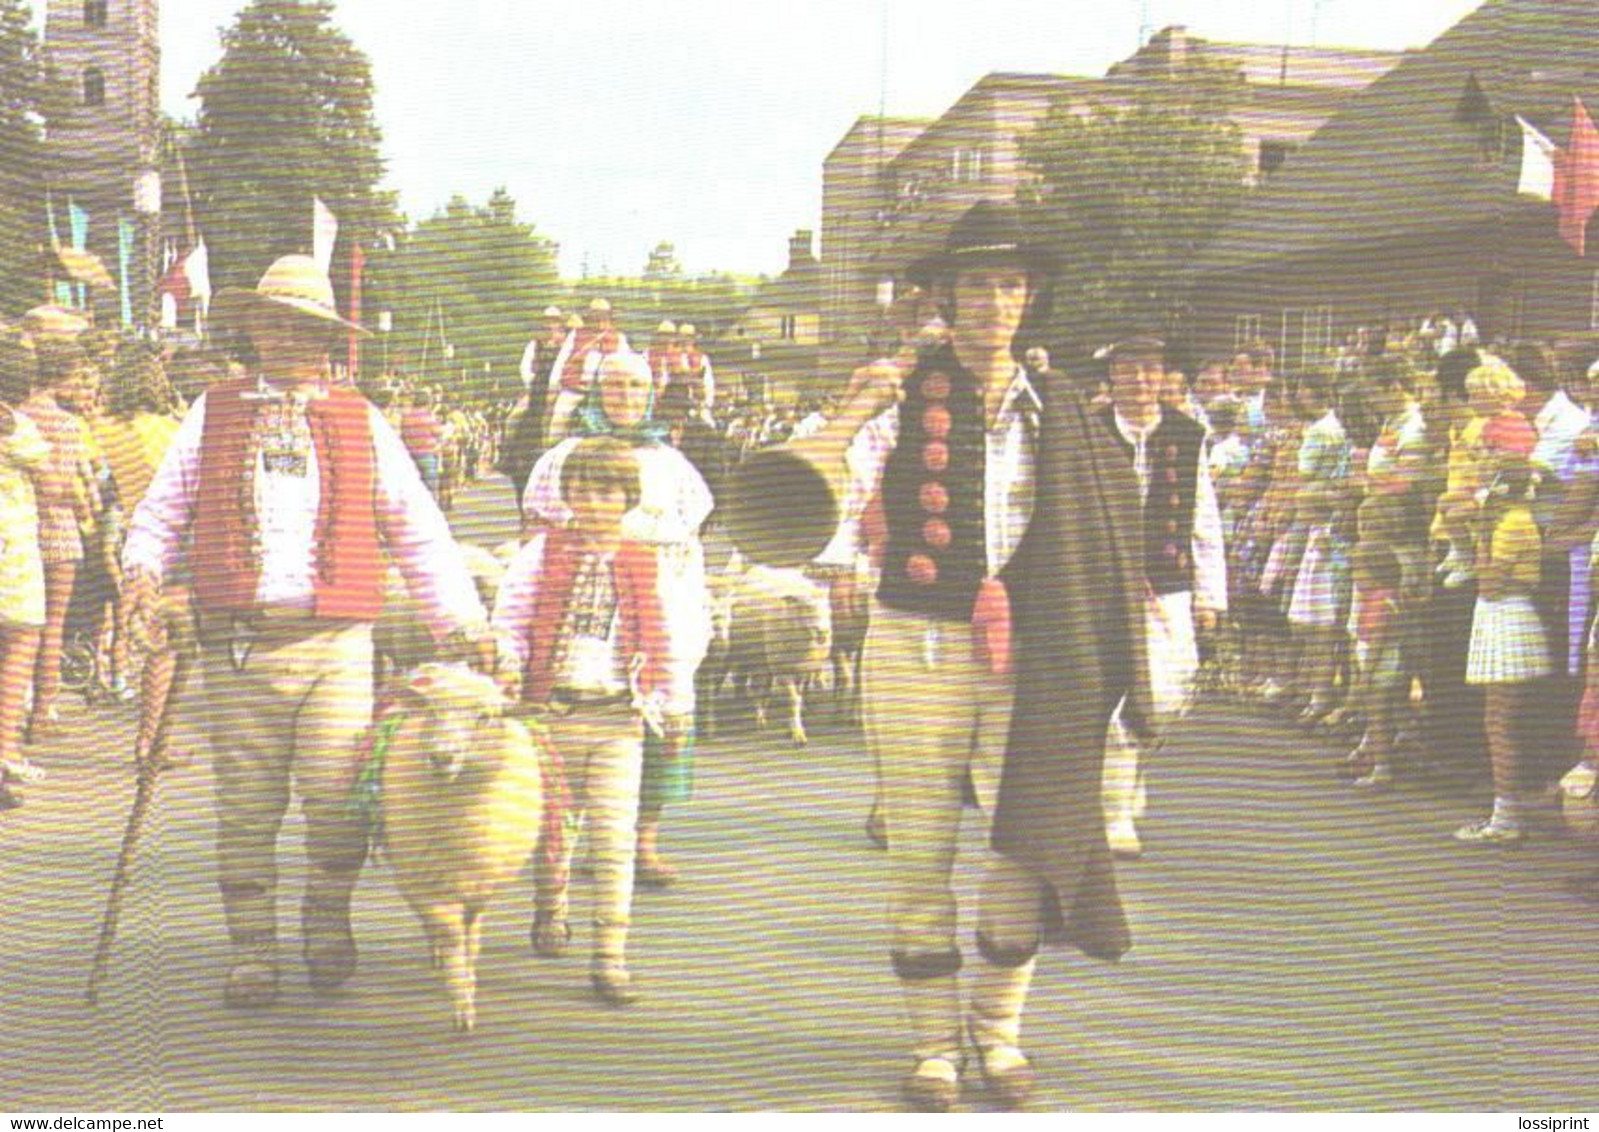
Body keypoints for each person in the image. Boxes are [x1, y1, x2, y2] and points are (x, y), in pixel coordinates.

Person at [811, 201, 1149, 1110]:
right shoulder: (895, 396)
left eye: (1010, 284)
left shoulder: (1065, 405)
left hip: (1030, 654)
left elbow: (1106, 532)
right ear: (943, 297)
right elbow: (808, 489)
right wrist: (852, 407)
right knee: (920, 847)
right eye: (975, 283)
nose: (995, 301)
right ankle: (933, 1046)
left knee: (1023, 845)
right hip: (917, 641)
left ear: (1029, 297)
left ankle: (998, 1034)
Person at [123, 254, 493, 1009]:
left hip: (336, 647)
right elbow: (161, 510)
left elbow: (416, 529)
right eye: (273, 322)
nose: (287, 338)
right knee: (246, 803)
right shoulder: (212, 411)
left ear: (328, 338)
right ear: (251, 327)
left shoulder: (363, 421)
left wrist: (461, 622)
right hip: (238, 645)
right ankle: (253, 950)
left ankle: (326, 925)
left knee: (335, 799)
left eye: (305, 327)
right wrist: (141, 572)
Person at [493, 435, 677, 1005]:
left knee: (615, 835)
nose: (593, 502)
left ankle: (610, 953)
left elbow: (670, 634)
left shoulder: (648, 562)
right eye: (581, 490)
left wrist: (669, 699)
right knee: (554, 828)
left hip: (618, 717)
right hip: (552, 713)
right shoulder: (541, 554)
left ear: (629, 498)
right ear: (566, 494)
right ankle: (551, 905)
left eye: (606, 491)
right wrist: (506, 661)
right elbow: (512, 616)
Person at [522, 353, 711, 887]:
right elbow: (536, 531)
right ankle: (572, 842)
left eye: (635, 385)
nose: (625, 395)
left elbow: (691, 534)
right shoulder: (565, 456)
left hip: (660, 604)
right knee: (581, 723)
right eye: (614, 385)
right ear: (595, 391)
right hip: (590, 606)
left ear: (650, 392)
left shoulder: (671, 462)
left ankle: (642, 844)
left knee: (659, 717)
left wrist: (688, 608)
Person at [1096, 336, 1226, 859]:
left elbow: (1204, 518)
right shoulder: (1089, 431)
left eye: (1150, 370)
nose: (1141, 380)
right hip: (1102, 587)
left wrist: (1210, 595)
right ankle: (1116, 811)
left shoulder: (1188, 435)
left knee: (1168, 696)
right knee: (1113, 706)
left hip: (1167, 584)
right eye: (1129, 370)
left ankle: (1134, 767)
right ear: (1112, 379)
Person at [1456, 456, 1550, 843]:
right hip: (1500, 618)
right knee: (1498, 721)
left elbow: (1490, 585)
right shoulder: (1509, 522)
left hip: (1507, 619)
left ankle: (1506, 817)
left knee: (1499, 723)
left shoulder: (1512, 523)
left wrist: (1479, 535)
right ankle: (1504, 810)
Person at [0, 333, 51, 807]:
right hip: (12, 557)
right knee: (19, 651)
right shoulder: (16, 426)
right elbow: (52, 480)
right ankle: (6, 750)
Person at [547, 300, 628, 444]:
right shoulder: (576, 335)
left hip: (603, 394)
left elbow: (626, 365)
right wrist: (553, 387)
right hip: (575, 390)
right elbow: (561, 361)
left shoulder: (619, 339)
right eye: (596, 316)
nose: (600, 320)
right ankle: (552, 454)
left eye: (604, 316)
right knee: (558, 423)